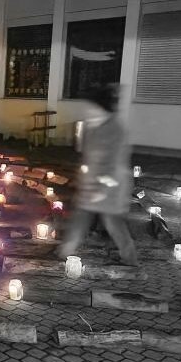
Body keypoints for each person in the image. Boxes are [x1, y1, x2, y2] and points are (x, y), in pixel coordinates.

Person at [57, 84, 138, 266]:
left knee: (113, 222)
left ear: (102, 107)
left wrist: (102, 188)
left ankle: (130, 259)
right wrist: (83, 179)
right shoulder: (91, 126)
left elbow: (114, 162)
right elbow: (87, 156)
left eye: (91, 107)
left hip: (112, 186)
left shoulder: (115, 129)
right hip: (91, 183)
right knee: (80, 217)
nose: (87, 110)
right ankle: (64, 251)